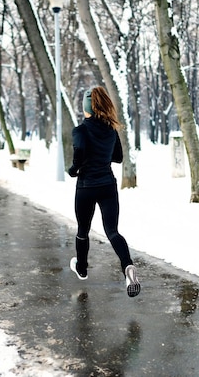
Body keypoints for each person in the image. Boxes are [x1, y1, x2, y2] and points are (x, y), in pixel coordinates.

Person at [67, 86, 141, 297]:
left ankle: (82, 268)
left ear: (86, 108)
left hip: (86, 187)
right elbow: (118, 158)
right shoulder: (110, 129)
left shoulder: (80, 130)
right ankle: (127, 267)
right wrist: (102, 152)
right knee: (112, 231)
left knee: (83, 230)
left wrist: (73, 170)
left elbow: (79, 154)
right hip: (108, 185)